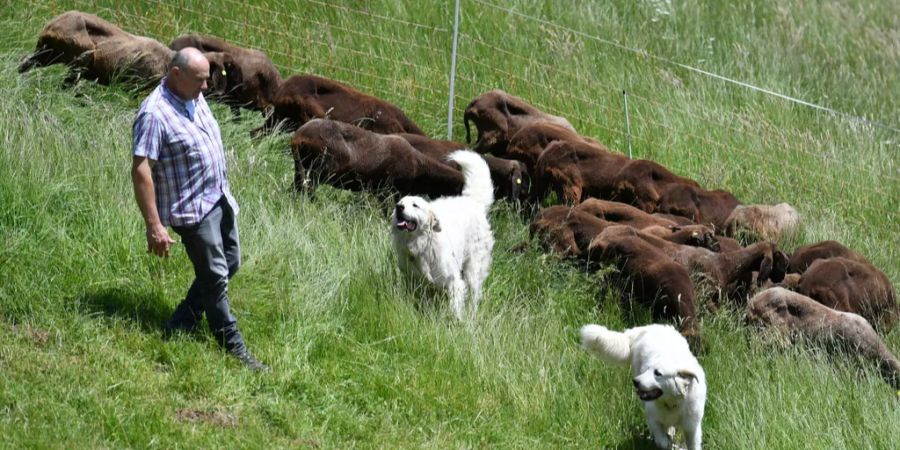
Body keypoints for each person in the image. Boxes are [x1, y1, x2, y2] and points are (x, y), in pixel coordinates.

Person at [131, 47, 268, 371]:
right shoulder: (154, 114)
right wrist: (154, 226)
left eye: (208, 79)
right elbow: (141, 170)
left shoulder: (193, 92)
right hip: (191, 208)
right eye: (200, 80)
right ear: (176, 75)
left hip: (218, 195)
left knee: (230, 261)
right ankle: (230, 342)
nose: (206, 87)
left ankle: (183, 319)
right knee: (216, 275)